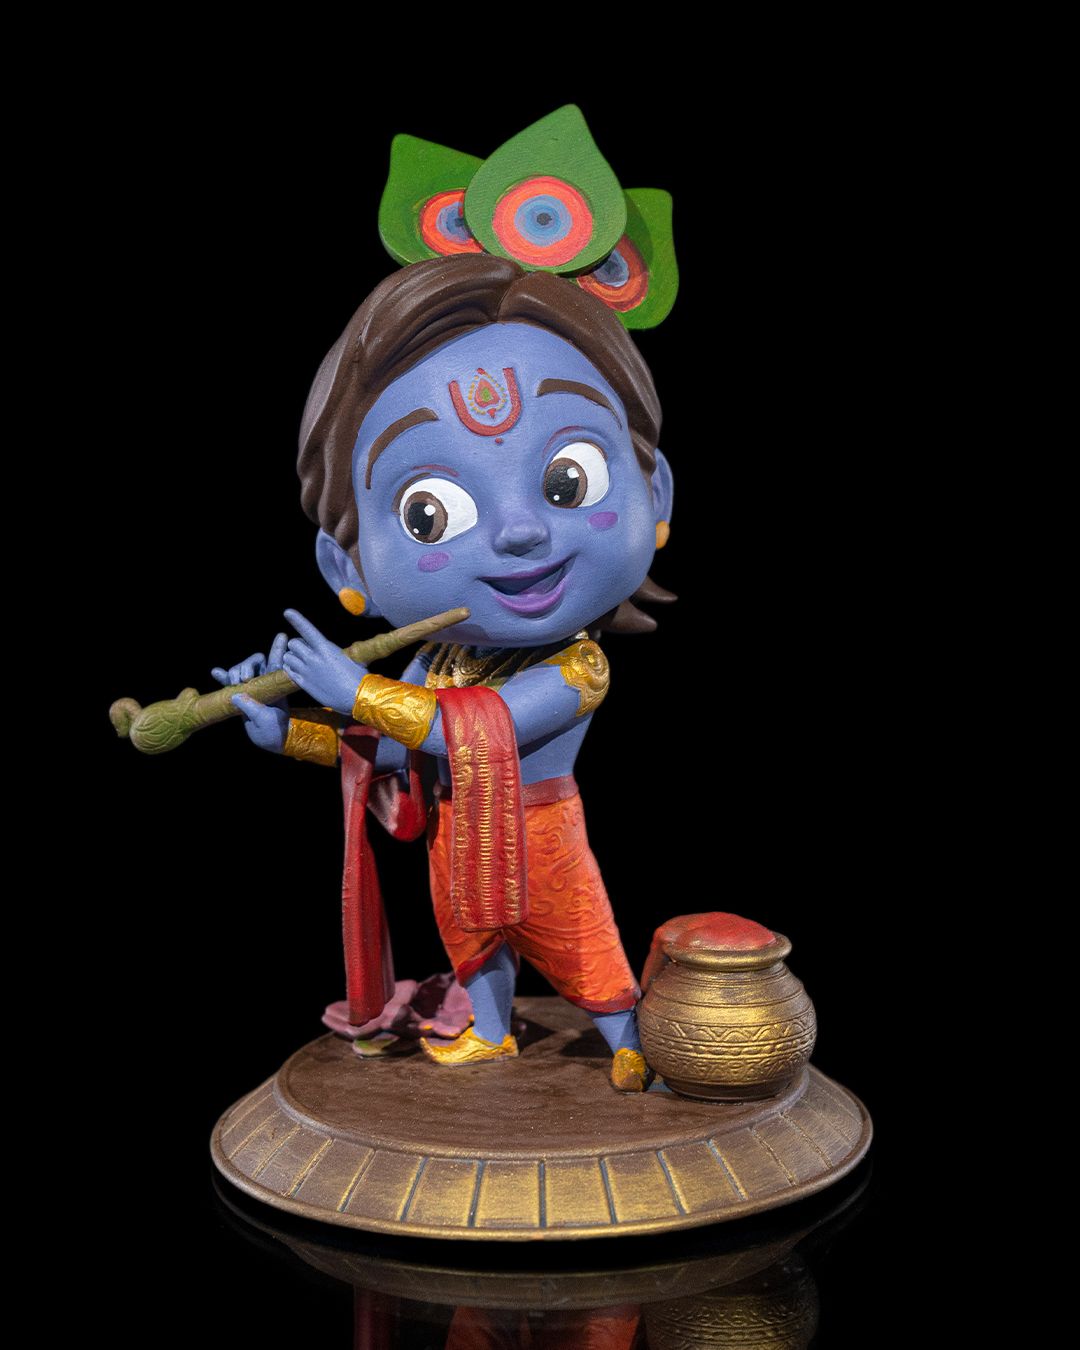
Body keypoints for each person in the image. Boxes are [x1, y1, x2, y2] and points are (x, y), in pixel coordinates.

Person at [214, 252, 674, 1093]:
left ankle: (627, 1036)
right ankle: (491, 1032)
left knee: (581, 939)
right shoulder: (436, 660)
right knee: (471, 940)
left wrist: (351, 688)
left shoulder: (578, 667)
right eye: (431, 514)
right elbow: (390, 751)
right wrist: (289, 733)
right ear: (345, 566)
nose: (520, 533)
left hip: (541, 834)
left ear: (658, 495)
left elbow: (469, 730)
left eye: (566, 481)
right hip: (458, 834)